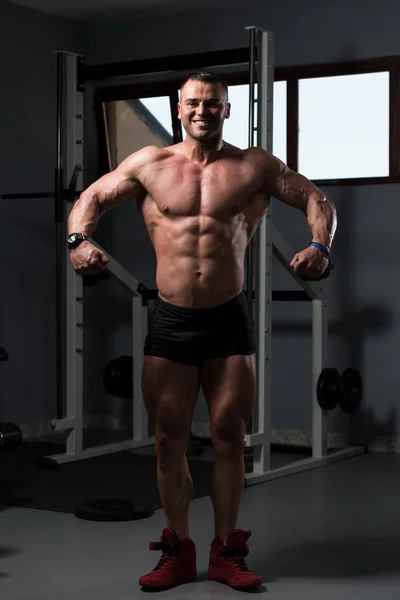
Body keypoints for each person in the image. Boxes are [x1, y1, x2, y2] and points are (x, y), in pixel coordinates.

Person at [67, 71, 336, 591]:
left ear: (227, 110)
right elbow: (91, 199)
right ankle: (178, 550)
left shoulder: (254, 166)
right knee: (169, 439)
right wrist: (78, 240)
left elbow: (316, 200)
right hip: (171, 319)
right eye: (193, 103)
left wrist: (321, 248)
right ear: (178, 108)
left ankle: (226, 552)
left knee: (230, 436)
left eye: (213, 104)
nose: (202, 111)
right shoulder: (149, 163)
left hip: (227, 317)